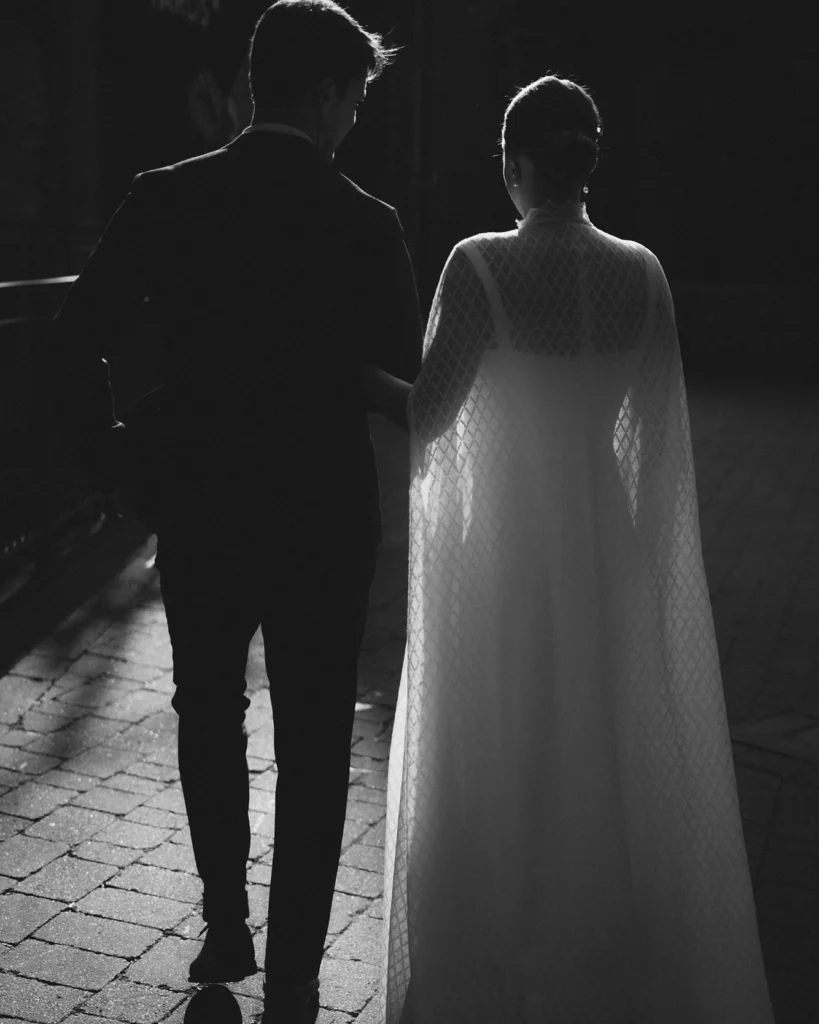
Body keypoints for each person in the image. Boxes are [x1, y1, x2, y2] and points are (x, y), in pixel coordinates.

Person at [363, 75, 775, 1022]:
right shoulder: (642, 273)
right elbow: (652, 443)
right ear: (585, 164)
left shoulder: (478, 268)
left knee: (509, 747)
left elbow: (431, 416)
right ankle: (602, 956)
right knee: (601, 749)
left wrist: (356, 376)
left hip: (505, 559)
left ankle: (502, 959)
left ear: (512, 163)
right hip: (611, 547)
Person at [45, 3, 423, 1023]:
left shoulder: (167, 199)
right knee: (311, 738)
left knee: (207, 710)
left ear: (259, 80)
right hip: (323, 517)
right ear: (333, 92)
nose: (354, 120)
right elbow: (402, 370)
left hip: (201, 503)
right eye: (355, 100)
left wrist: (122, 464)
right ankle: (297, 955)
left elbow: (76, 339)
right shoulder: (364, 221)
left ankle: (225, 920)